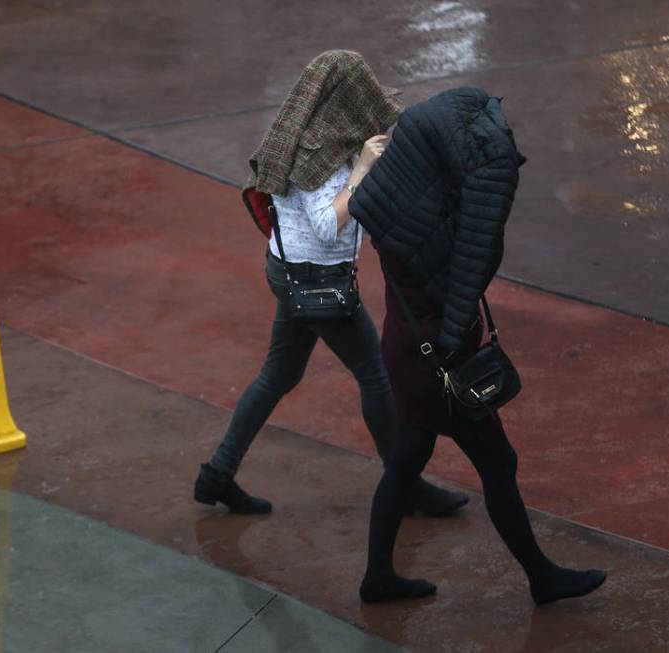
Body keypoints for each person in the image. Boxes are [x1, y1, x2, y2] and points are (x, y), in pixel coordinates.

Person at [349, 87, 608, 604]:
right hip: (436, 358)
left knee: (405, 460)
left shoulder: (397, 217)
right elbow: (465, 272)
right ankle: (541, 576)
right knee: (498, 462)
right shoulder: (432, 237)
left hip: (406, 349)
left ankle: (378, 576)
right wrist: (455, 348)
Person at [193, 50, 469, 518]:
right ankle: (405, 485)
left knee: (279, 374)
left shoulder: (303, 133)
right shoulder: (321, 156)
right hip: (318, 283)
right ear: (346, 102)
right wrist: (360, 169)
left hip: (291, 273)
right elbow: (327, 225)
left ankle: (217, 475)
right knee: (376, 375)